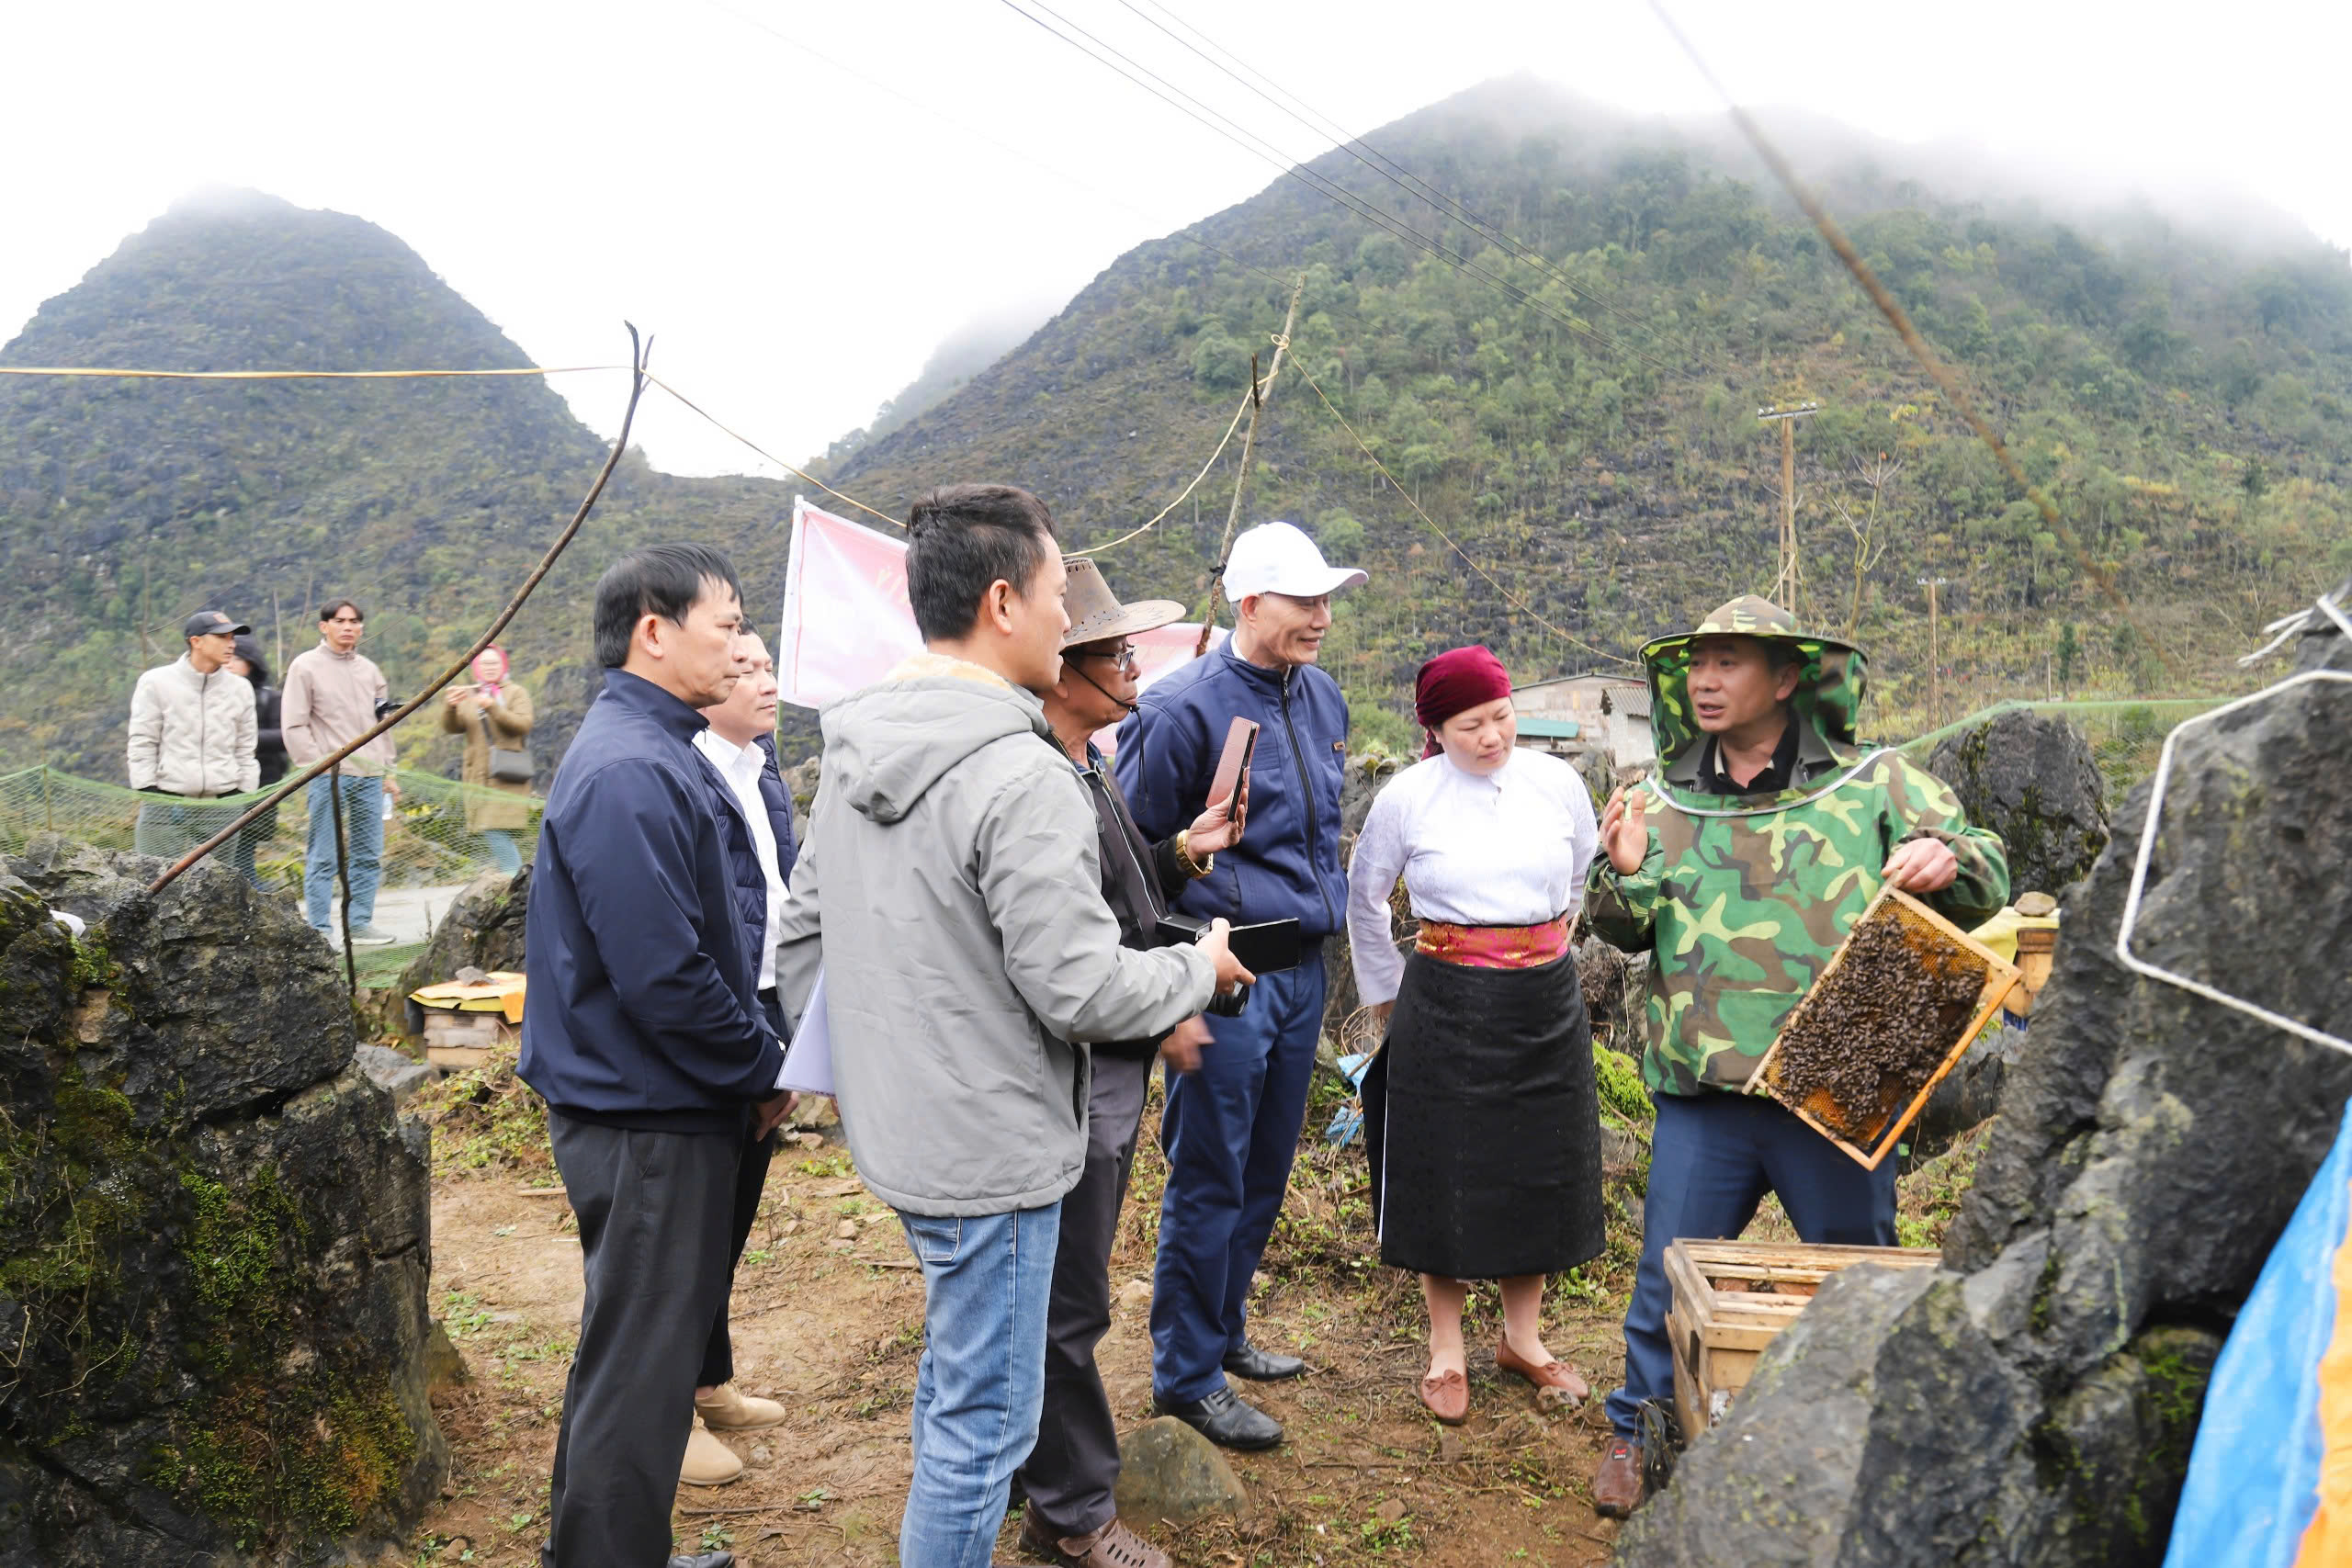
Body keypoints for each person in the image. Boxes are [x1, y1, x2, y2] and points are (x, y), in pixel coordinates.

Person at [773, 483, 1253, 1568]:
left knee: (960, 1386)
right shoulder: (1021, 771)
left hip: (905, 1136)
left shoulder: (857, 747)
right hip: (996, 1149)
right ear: (1002, 602)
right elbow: (1080, 990)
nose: (1063, 618)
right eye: (1054, 596)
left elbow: (802, 937)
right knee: (983, 1430)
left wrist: (875, 1073)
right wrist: (1196, 967)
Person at [1584, 595, 2009, 1518]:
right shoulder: (1660, 797)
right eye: (1696, 663)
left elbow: (1987, 873)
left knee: (1858, 1277)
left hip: (1837, 1086)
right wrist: (1622, 868)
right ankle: (1637, 1431)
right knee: (1666, 1276)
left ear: (1786, 678)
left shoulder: (1877, 785)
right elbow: (1618, 927)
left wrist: (1946, 859)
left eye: (1728, 662)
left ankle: (1865, 1437)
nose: (1704, 680)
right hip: (1706, 1095)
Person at [518, 543, 791, 1568]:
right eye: (727, 624)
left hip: (658, 1101)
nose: (739, 645)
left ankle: (614, 1547)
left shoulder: (658, 748)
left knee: (636, 1355)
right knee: (638, 1365)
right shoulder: (632, 769)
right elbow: (666, 976)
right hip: (643, 1114)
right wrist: (762, 1066)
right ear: (653, 631)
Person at [1012, 558, 1248, 1568]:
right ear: (1062, 670)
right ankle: (1071, 1513)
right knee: (1068, 1297)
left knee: (1062, 1287)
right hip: (1084, 1060)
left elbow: (1122, 896)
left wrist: (1181, 853)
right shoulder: (1041, 779)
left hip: (1107, 1054)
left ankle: (1036, 1477)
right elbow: (1078, 960)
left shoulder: (1087, 764)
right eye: (1113, 655)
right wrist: (1174, 999)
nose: (1132, 670)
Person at [1114, 518, 1364, 1451]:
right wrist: (1167, 994)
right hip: (1222, 975)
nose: (1323, 616)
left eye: (1328, 598)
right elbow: (1132, 862)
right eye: (1306, 600)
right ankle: (1185, 1377)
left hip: (1303, 969)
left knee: (1263, 1167)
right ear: (1250, 603)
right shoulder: (1180, 708)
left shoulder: (1323, 696)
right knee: (1210, 1171)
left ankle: (1224, 1332)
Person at [1345, 646, 1605, 1426]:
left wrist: (1542, 946)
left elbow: (1579, 877)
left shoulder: (1557, 783)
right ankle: (1447, 1349)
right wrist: (1386, 996)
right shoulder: (1407, 797)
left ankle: (1523, 1338)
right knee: (1445, 1169)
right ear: (1435, 729)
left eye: (1501, 716)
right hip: (1445, 999)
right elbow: (1364, 896)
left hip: (1545, 998)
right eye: (1470, 725)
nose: (1491, 736)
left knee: (1539, 1164)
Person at [681, 629, 797, 1491]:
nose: (765, 681)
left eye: (768, 666)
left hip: (770, 1001)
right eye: (746, 668)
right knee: (690, 1217)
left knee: (736, 1203)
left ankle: (708, 1378)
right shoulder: (687, 771)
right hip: (720, 1008)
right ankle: (668, 1408)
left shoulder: (765, 768)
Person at [282, 598, 401, 944]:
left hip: (370, 776)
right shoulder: (305, 666)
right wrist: (316, 765)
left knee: (369, 853)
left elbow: (384, 723)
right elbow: (294, 724)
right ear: (324, 626)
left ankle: (359, 924)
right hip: (328, 776)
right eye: (339, 621)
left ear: (361, 628)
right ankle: (320, 930)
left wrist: (388, 770)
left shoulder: (370, 671)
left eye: (354, 621)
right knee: (324, 855)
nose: (348, 627)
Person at [128, 610, 260, 870]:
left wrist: (242, 791)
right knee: (153, 879)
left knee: (219, 883)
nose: (231, 644)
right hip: (165, 802)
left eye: (232, 637)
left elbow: (246, 746)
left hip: (223, 805)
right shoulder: (156, 682)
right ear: (196, 641)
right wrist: (147, 787)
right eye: (222, 637)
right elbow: (142, 740)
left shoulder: (240, 688)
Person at [440, 646, 536, 876]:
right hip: (478, 777)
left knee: (495, 828)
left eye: (495, 663)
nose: (490, 667)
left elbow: (522, 725)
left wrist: (493, 706)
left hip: (507, 775)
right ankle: (516, 878)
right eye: (484, 663)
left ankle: (515, 878)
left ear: (504, 665)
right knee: (492, 828)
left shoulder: (516, 693)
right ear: (476, 668)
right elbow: (452, 727)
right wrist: (450, 707)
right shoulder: (471, 694)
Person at [227, 632, 288, 891]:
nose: (229, 663)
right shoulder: (215, 696)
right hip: (223, 781)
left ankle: (247, 888)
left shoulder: (270, 698)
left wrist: (240, 737)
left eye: (236, 658)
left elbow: (284, 736)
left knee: (245, 841)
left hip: (263, 782)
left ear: (251, 662)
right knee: (227, 841)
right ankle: (248, 888)